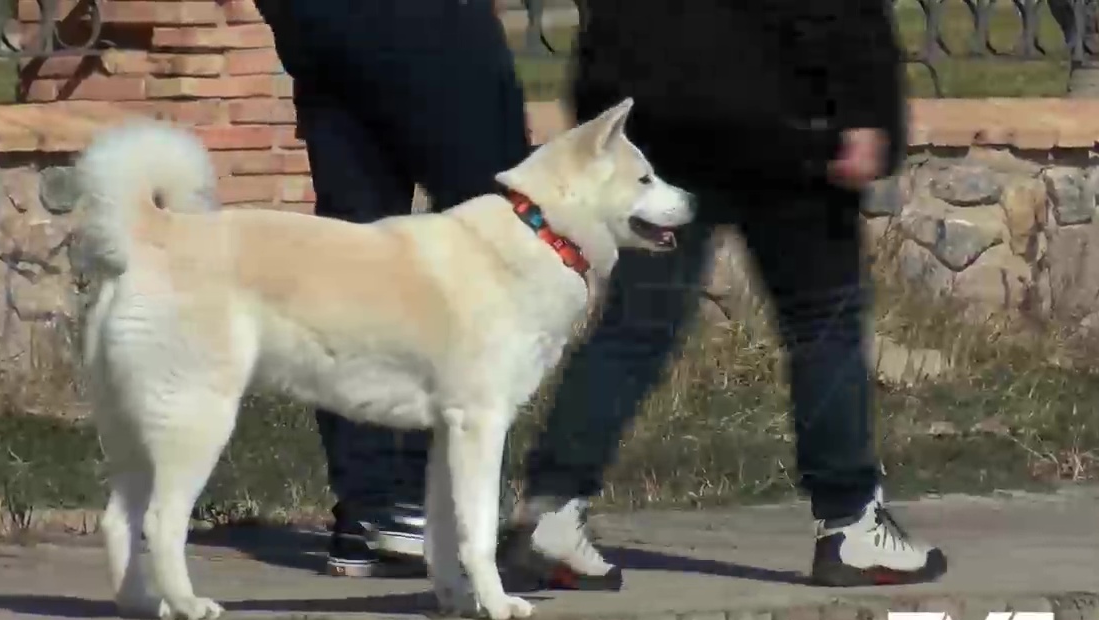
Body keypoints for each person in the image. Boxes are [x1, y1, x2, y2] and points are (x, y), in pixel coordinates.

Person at [498, 0, 951, 590]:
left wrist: (605, 97)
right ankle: (850, 521)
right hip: (787, 110)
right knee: (822, 319)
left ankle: (551, 510)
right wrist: (865, 106)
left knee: (636, 324)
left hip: (663, 108)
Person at [256, 0, 531, 577]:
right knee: (496, 247)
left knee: (352, 261)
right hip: (429, 24)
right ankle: (422, 510)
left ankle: (366, 511)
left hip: (322, 27)